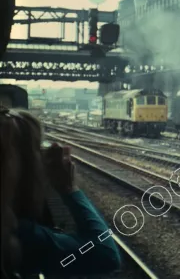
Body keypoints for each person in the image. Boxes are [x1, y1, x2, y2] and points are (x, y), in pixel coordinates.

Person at [0, 107, 121, 278]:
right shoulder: (22, 236)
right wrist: (70, 189)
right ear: (22, 169)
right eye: (36, 151)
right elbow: (106, 254)